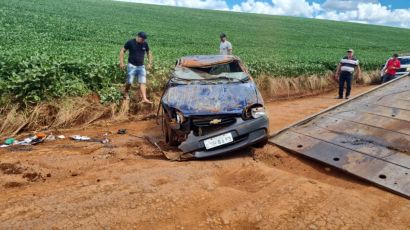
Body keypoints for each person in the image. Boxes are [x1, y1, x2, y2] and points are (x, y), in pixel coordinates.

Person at [119, 31, 153, 103]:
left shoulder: (145, 44)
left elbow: (149, 52)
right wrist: (121, 62)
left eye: (144, 39)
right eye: (142, 39)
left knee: (142, 82)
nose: (143, 40)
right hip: (132, 66)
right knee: (129, 81)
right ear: (138, 37)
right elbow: (122, 51)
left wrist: (149, 63)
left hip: (141, 66)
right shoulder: (130, 42)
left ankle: (144, 98)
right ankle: (126, 93)